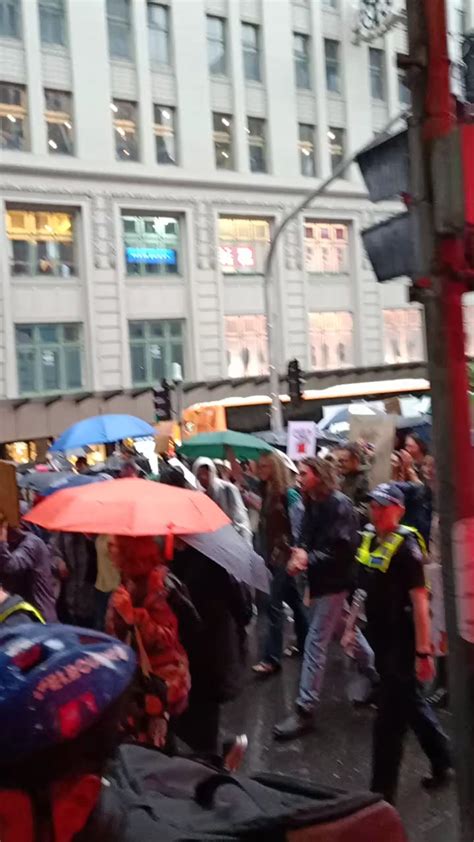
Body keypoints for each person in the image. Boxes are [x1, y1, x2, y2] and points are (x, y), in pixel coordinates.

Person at [345, 482, 452, 803]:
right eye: (372, 506)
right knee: (411, 703)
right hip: (381, 638)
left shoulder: (407, 549)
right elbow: (362, 590)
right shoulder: (368, 540)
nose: (374, 511)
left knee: (388, 722)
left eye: (382, 506)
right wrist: (350, 627)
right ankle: (444, 757)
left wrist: (423, 651)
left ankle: (381, 796)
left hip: (403, 643)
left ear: (399, 509)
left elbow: (420, 603)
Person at [273, 457, 375, 740]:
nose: (299, 478)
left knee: (315, 641)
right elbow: (304, 536)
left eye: (304, 473)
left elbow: (342, 551)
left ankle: (305, 708)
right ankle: (373, 670)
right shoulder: (311, 502)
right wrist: (299, 553)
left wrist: (307, 560)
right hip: (321, 582)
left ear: (319, 475)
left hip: (335, 582)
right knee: (344, 628)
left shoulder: (339, 504)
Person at [106, 535, 190, 749]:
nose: (108, 551)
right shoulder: (127, 581)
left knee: (160, 750)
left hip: (160, 686)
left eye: (113, 546)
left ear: (129, 551)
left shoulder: (158, 585)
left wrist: (135, 617)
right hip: (135, 684)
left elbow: (167, 638)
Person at [172, 541, 250, 769]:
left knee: (199, 720)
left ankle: (216, 763)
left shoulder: (182, 558)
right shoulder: (218, 556)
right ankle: (224, 749)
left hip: (203, 654)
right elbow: (243, 607)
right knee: (195, 718)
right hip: (204, 652)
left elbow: (242, 606)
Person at [252, 452, 308, 676]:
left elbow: (298, 523)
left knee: (274, 606)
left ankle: (271, 658)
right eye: (260, 466)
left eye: (266, 466)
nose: (261, 470)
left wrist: (295, 552)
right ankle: (304, 641)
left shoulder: (289, 494)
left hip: (284, 557)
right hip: (274, 556)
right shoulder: (268, 491)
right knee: (294, 601)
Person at [0, 520, 57, 622]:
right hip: (19, 615)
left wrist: (1, 542)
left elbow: (10, 566)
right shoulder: (10, 546)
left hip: (39, 618)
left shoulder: (32, 543)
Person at [193, 457, 252, 545]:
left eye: (206, 473)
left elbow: (241, 519)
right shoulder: (200, 495)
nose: (203, 477)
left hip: (233, 539)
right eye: (200, 475)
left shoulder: (227, 489)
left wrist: (246, 544)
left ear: (212, 472)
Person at [52, 531, 97, 627]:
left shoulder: (95, 530)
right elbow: (52, 553)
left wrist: (91, 539)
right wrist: (58, 562)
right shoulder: (63, 531)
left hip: (91, 595)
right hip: (67, 594)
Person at [337, 443, 370, 527]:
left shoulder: (363, 480)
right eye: (338, 460)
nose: (339, 464)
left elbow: (365, 509)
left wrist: (343, 512)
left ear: (355, 461)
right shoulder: (338, 477)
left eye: (343, 461)